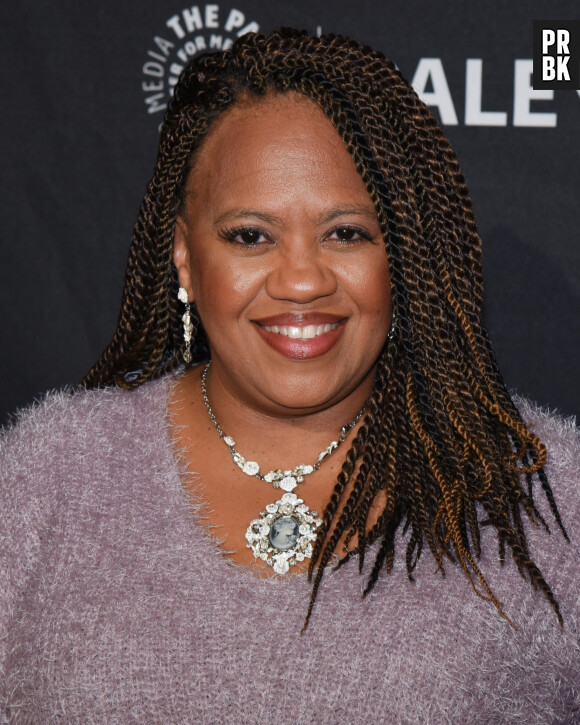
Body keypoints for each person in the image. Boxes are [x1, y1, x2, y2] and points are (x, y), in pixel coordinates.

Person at [1, 28, 578, 724]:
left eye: (347, 233)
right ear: (185, 256)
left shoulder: (547, 497)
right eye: (251, 235)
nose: (302, 279)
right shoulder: (47, 476)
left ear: (406, 259)